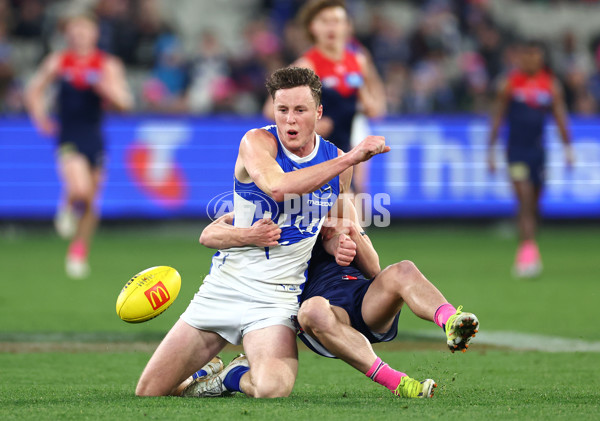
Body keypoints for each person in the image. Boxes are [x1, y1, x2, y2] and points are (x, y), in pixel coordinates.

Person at [135, 66, 389, 398]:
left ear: (318, 112)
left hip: (276, 300)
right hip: (224, 289)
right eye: (282, 110)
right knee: (150, 392)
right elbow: (278, 187)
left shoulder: (336, 162)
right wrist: (353, 158)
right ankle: (203, 370)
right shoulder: (256, 142)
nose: (290, 120)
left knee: (272, 389)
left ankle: (232, 375)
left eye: (300, 110)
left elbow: (340, 229)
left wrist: (342, 245)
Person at [188, 196, 479, 399]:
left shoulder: (337, 202)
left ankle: (450, 320)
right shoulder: (265, 211)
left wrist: (348, 235)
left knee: (402, 270)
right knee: (313, 311)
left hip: (360, 296)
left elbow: (374, 269)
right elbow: (210, 236)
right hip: (320, 312)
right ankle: (397, 382)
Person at [25, 12, 133, 279]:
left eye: (85, 30)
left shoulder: (107, 65)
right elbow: (33, 90)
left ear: (95, 34)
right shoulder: (59, 62)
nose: (80, 35)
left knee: (91, 203)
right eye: (75, 30)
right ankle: (66, 204)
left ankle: (78, 251)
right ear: (68, 34)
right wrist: (39, 117)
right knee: (81, 189)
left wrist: (104, 88)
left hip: (94, 136)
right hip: (68, 135)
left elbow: (125, 104)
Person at [263, 0, 386, 195]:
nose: (331, 27)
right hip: (317, 152)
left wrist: (370, 106)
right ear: (313, 27)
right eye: (324, 21)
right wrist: (308, 125)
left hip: (346, 144)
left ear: (347, 26)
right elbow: (271, 109)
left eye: (337, 21)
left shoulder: (358, 60)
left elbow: (374, 104)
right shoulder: (308, 65)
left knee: (356, 200)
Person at [488, 40, 574, 278]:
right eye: (527, 56)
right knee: (524, 199)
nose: (531, 60)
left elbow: (560, 118)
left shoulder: (550, 85)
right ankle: (527, 255)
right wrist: (490, 151)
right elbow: (498, 117)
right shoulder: (510, 84)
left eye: (535, 56)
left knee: (534, 205)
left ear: (541, 58)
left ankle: (528, 247)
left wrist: (568, 149)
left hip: (538, 153)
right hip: (515, 151)